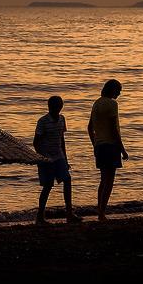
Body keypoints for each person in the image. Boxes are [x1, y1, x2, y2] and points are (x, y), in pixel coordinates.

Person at [33, 95, 82, 225]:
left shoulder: (61, 119)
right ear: (50, 107)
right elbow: (36, 142)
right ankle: (40, 216)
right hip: (46, 158)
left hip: (59, 155)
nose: (57, 109)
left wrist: (65, 158)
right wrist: (42, 158)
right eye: (54, 106)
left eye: (58, 106)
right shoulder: (42, 121)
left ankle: (69, 213)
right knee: (48, 186)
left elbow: (62, 139)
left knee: (67, 180)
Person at [87, 79, 129, 221]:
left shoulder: (96, 103)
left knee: (103, 180)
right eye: (118, 90)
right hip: (111, 146)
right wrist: (123, 150)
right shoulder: (112, 104)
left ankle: (100, 210)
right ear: (112, 90)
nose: (119, 93)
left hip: (99, 146)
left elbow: (89, 128)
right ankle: (101, 213)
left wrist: (95, 144)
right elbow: (113, 130)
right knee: (109, 181)